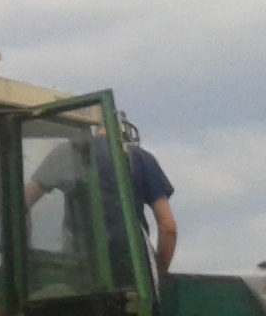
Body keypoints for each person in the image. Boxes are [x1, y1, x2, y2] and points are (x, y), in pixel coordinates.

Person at [23, 116, 176, 280]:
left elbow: (22, 203)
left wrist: (27, 253)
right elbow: (168, 228)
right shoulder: (141, 158)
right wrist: (158, 274)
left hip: (79, 274)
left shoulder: (66, 153)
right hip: (133, 276)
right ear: (124, 134)